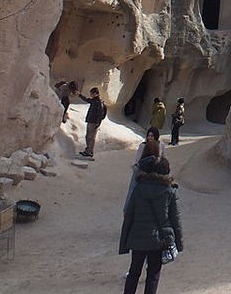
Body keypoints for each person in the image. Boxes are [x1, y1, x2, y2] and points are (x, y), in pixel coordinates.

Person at [119, 155, 184, 294]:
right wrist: (179, 243)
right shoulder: (169, 191)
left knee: (134, 273)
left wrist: (124, 242)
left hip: (138, 237)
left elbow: (129, 215)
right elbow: (175, 219)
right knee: (153, 275)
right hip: (158, 240)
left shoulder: (139, 188)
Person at [124, 138, 161, 212]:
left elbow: (131, 191)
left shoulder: (138, 169)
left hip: (138, 212)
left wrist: (127, 211)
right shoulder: (161, 170)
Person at [78, 87, 107, 159]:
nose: (90, 95)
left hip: (94, 122)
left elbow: (100, 114)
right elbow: (87, 100)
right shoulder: (95, 101)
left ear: (95, 93)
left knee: (91, 137)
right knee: (88, 136)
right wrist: (80, 95)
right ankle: (87, 150)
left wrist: (98, 123)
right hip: (91, 121)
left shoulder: (99, 102)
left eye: (91, 93)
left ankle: (90, 152)